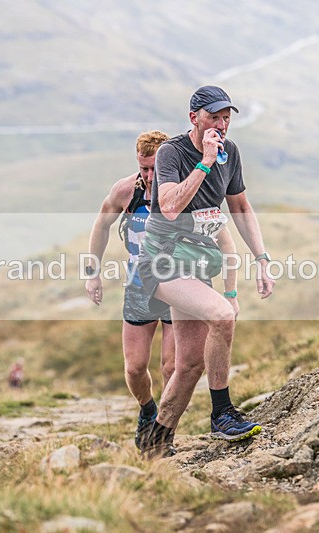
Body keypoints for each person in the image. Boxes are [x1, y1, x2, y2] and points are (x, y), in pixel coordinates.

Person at [138, 86, 276, 457]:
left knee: (190, 364)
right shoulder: (172, 152)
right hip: (162, 261)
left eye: (226, 118)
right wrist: (204, 163)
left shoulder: (231, 154)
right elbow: (168, 207)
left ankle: (154, 441)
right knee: (222, 315)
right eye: (214, 117)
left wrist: (262, 259)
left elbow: (241, 209)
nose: (221, 124)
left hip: (197, 263)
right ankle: (222, 414)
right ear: (193, 118)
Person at [84, 130, 240, 449]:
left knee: (174, 364)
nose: (150, 175)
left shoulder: (187, 192)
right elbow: (101, 225)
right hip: (140, 283)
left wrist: (231, 291)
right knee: (135, 367)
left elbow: (224, 237)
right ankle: (147, 409)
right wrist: (92, 273)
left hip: (178, 280)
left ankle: (164, 434)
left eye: (156, 168)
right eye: (144, 168)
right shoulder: (126, 191)